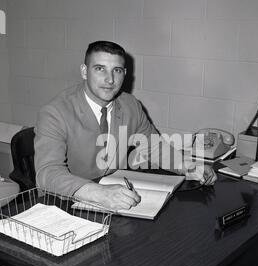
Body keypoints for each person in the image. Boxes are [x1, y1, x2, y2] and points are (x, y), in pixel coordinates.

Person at [34, 40, 217, 211]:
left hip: (115, 202)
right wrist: (97, 192)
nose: (110, 79)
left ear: (125, 74)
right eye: (100, 69)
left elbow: (153, 147)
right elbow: (48, 172)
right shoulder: (55, 112)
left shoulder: (130, 105)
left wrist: (188, 166)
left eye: (117, 70)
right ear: (84, 71)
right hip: (66, 205)